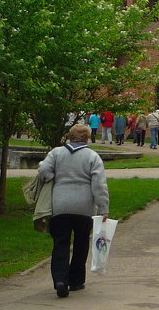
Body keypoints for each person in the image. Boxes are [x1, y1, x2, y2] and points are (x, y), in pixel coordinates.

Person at [35, 123, 110, 298]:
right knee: (81, 242)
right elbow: (99, 185)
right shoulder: (92, 156)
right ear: (87, 138)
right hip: (84, 207)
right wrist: (103, 207)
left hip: (59, 204)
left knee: (60, 242)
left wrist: (56, 178)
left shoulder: (56, 153)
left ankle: (60, 280)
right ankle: (76, 280)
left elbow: (43, 170)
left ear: (70, 136)